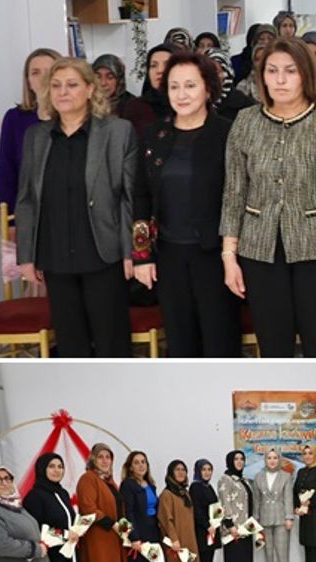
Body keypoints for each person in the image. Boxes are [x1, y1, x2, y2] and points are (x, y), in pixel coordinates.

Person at [220, 37, 316, 358]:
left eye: (290, 71)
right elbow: (234, 193)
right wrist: (229, 256)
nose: (280, 80)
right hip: (260, 250)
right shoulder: (246, 121)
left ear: (306, 74)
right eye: (272, 71)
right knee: (273, 346)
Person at [16, 57, 136, 357]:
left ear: (90, 89)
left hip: (103, 253)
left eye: (72, 85)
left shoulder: (118, 132)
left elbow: (129, 197)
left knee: (111, 342)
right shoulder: (36, 137)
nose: (63, 92)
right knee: (70, 344)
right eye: (56, 86)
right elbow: (27, 199)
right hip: (55, 255)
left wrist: (131, 251)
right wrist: (26, 256)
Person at [132, 51, 242, 357]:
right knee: (180, 343)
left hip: (216, 255)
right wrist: (141, 255)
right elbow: (140, 195)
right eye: (174, 86)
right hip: (168, 256)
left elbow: (238, 195)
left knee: (220, 342)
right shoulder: (154, 135)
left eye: (190, 86)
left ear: (208, 88)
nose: (182, 94)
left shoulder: (228, 133)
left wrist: (232, 254)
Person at [0, 49, 60, 222]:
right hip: (29, 213)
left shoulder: (73, 117)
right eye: (35, 73)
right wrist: (10, 222)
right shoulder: (15, 118)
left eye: (49, 71)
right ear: (28, 81)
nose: (43, 78)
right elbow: (6, 172)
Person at [75, 443, 130, 562]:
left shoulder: (108, 480)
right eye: (101, 457)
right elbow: (88, 508)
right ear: (93, 459)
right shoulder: (88, 479)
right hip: (99, 535)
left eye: (108, 457)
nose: (105, 461)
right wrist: (112, 524)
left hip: (111, 535)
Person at [120, 450, 164, 562]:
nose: (141, 465)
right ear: (130, 467)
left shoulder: (150, 484)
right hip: (139, 531)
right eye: (136, 462)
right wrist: (134, 537)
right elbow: (129, 512)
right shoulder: (128, 485)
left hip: (153, 530)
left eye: (143, 462)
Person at [157, 460, 202, 562]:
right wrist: (173, 539)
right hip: (175, 537)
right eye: (177, 469)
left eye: (183, 469)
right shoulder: (167, 494)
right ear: (171, 473)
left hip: (188, 536)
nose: (181, 472)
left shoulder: (184, 493)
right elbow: (166, 519)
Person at [253, 449, 294, 562]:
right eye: (269, 457)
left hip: (281, 518)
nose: (272, 460)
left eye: (275, 457)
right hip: (264, 517)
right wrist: (255, 519)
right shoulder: (258, 477)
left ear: (279, 459)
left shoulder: (286, 476)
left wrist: (289, 517)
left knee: (281, 550)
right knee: (268, 551)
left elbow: (288, 498)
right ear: (265, 459)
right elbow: (256, 500)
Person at [217, 450, 254, 562]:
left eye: (242, 459)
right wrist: (230, 525)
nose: (239, 462)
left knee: (244, 554)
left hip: (245, 525)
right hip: (233, 526)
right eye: (236, 459)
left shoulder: (242, 479)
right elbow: (224, 502)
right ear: (230, 461)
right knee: (236, 554)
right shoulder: (225, 479)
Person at [93, 54, 155, 136]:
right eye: (98, 77)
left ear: (119, 80)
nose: (103, 83)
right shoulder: (86, 104)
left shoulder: (133, 106)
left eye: (110, 77)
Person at [188, 459, 223, 562]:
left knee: (208, 560)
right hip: (204, 530)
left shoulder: (207, 486)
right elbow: (197, 510)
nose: (207, 472)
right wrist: (208, 525)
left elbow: (214, 506)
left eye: (209, 469)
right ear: (198, 471)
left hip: (211, 528)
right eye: (204, 469)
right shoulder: (196, 487)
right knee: (204, 561)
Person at [207, 49, 256, 124]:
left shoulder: (245, 105)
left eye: (216, 71)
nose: (211, 76)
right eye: (208, 71)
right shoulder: (198, 103)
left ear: (227, 72)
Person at [140, 44, 176, 128]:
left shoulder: (187, 105)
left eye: (167, 65)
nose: (160, 70)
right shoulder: (134, 107)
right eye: (153, 65)